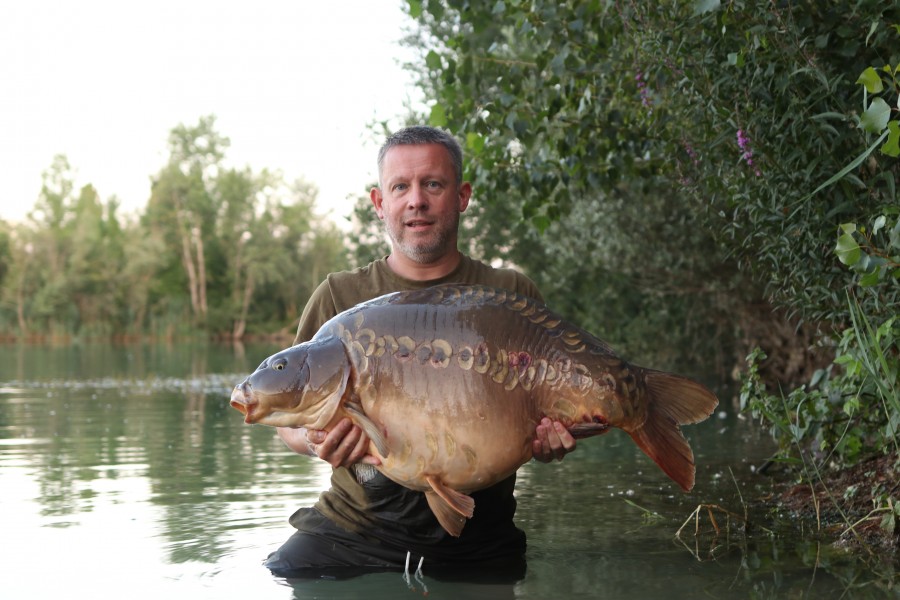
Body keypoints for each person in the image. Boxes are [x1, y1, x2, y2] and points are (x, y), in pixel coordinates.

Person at [264, 126, 576, 577]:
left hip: (478, 536)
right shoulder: (339, 295)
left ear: (462, 196)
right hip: (353, 530)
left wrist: (554, 439)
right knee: (283, 570)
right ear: (379, 203)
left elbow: (552, 410)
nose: (416, 201)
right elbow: (289, 421)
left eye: (433, 184)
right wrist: (315, 441)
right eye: (400, 187)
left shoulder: (508, 293)